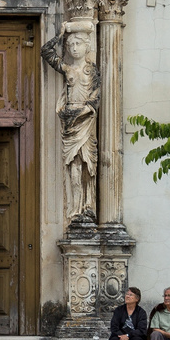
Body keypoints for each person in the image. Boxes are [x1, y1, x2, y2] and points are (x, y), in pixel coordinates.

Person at [41, 20, 100, 224]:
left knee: (87, 165)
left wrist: (83, 110)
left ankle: (87, 206)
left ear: (87, 46)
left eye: (79, 44)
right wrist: (61, 34)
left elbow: (96, 96)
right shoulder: (67, 69)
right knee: (73, 166)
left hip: (84, 120)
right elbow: (46, 52)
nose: (74, 48)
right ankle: (76, 209)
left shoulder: (91, 71)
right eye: (71, 45)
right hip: (70, 123)